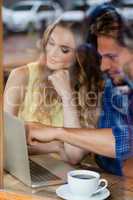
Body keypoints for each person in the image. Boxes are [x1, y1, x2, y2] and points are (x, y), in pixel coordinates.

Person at [27, 3, 133, 177]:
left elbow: (125, 141)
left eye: (112, 56)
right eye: (101, 56)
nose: (104, 65)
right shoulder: (112, 83)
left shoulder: (93, 86)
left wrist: (57, 133)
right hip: (104, 176)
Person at [4, 19, 102, 164]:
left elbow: (74, 156)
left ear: (81, 56)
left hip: (69, 175)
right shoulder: (22, 76)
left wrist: (67, 95)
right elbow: (4, 142)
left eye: (64, 49)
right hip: (25, 166)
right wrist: (56, 146)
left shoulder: (91, 87)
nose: (52, 53)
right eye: (51, 43)